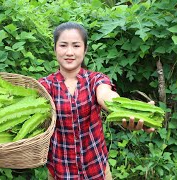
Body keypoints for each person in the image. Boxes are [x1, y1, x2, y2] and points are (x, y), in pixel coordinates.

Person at [38, 22, 155, 180]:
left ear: (85, 50)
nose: (69, 52)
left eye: (76, 46)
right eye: (63, 45)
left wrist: (129, 111)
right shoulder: (45, 86)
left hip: (96, 169)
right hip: (60, 172)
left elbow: (106, 95)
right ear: (55, 49)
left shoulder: (95, 79)